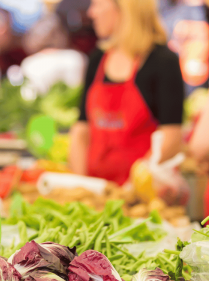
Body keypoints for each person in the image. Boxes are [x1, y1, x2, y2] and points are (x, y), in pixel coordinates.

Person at [69, 0, 184, 185]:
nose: (91, 13)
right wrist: (82, 186)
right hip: (98, 191)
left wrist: (133, 187)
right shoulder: (97, 59)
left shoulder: (163, 61)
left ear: (124, 8)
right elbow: (81, 131)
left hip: (144, 194)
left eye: (97, 4)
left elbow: (171, 138)